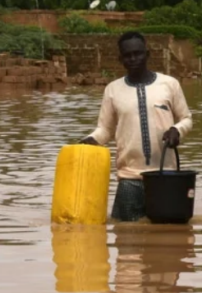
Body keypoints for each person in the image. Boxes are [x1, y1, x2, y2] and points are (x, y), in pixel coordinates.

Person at [79, 32, 193, 222]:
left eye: (138, 53)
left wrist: (177, 130)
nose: (133, 59)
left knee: (168, 240)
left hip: (166, 176)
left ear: (147, 54)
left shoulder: (169, 84)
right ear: (120, 59)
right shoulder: (112, 90)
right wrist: (90, 140)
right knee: (125, 237)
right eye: (127, 55)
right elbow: (105, 130)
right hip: (129, 177)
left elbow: (186, 118)